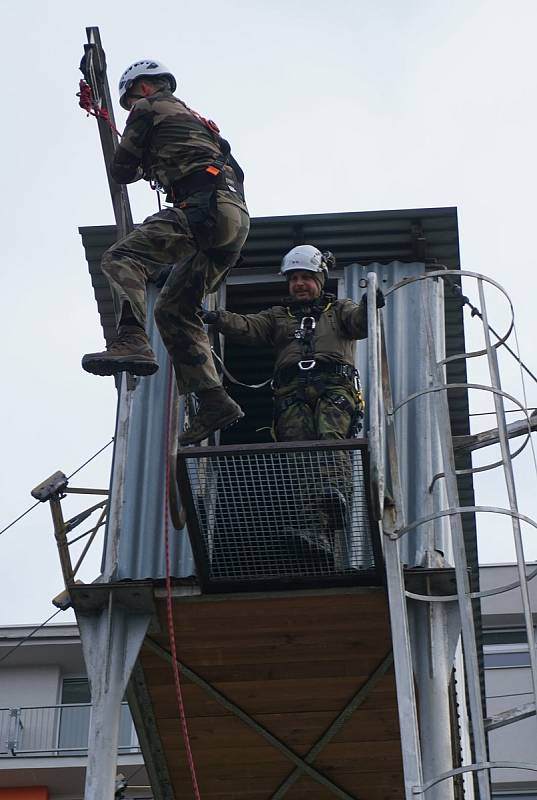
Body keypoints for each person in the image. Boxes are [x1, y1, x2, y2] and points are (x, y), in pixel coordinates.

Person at [82, 59, 250, 446]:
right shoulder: (195, 120)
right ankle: (214, 400)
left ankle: (131, 340)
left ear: (141, 88)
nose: (128, 109)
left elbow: (122, 169)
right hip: (233, 219)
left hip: (204, 208)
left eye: (127, 102)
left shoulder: (147, 107)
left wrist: (136, 158)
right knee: (174, 309)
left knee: (122, 259)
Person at [203, 244, 385, 568]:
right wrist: (215, 317)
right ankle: (313, 528)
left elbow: (359, 323)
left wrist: (369, 304)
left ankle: (334, 499)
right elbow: (248, 326)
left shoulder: (338, 309)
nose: (299, 283)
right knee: (300, 455)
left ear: (320, 279)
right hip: (291, 393)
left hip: (334, 388)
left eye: (306, 277)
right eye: (294, 278)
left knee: (330, 440)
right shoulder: (278, 317)